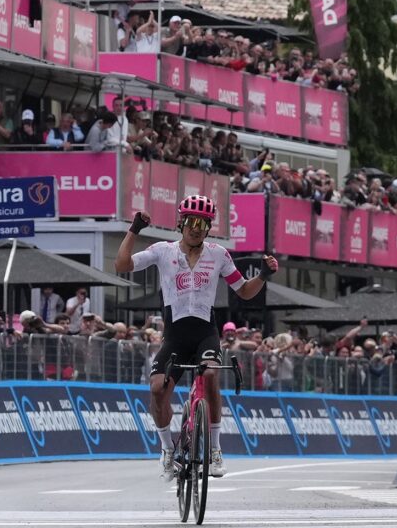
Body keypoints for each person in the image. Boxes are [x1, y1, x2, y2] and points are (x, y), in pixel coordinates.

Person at [115, 195, 277, 478]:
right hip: (175, 336)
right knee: (156, 389)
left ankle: (214, 450)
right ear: (181, 223)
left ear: (209, 227)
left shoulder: (218, 254)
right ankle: (167, 450)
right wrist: (134, 229)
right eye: (191, 221)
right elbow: (122, 265)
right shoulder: (163, 251)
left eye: (203, 223)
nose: (196, 228)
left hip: (205, 332)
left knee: (212, 376)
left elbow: (244, 291)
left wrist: (262, 275)